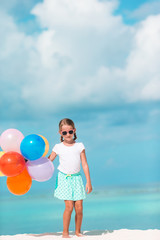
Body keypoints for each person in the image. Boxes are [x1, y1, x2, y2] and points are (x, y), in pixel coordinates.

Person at [48, 118, 92, 238]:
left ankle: (78, 231)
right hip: (64, 179)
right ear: (60, 133)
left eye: (70, 132)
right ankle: (65, 233)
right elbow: (48, 161)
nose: (68, 135)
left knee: (79, 207)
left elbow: (84, 164)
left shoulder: (79, 146)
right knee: (69, 207)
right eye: (64, 133)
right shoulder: (58, 147)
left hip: (77, 179)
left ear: (74, 131)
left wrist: (88, 181)